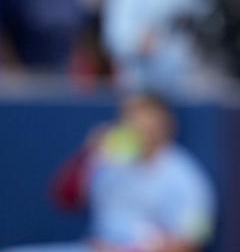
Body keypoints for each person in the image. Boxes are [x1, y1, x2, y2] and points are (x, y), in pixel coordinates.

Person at [4, 94, 215, 252]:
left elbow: (192, 240)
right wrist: (85, 155)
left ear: (165, 126)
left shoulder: (184, 174)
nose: (138, 127)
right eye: (131, 118)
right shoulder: (108, 157)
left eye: (145, 121)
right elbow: (64, 198)